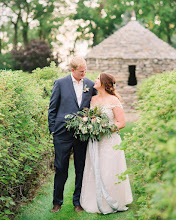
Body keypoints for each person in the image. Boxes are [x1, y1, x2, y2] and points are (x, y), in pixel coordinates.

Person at [48, 56, 97, 213]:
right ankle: (57, 202)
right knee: (61, 167)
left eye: (85, 71)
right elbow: (52, 108)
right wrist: (53, 130)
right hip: (62, 133)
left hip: (82, 134)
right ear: (72, 70)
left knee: (81, 167)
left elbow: (95, 106)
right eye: (81, 72)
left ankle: (78, 202)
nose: (84, 74)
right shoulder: (60, 83)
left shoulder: (90, 84)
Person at [80, 73, 133, 214]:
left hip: (110, 141)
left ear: (104, 83)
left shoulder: (113, 100)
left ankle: (113, 200)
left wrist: (104, 130)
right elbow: (89, 117)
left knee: (109, 170)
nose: (95, 80)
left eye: (97, 79)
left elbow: (121, 123)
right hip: (95, 141)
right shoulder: (92, 99)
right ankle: (95, 200)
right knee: (95, 169)